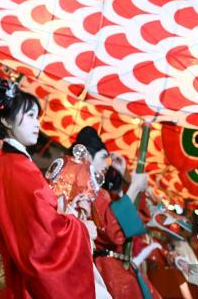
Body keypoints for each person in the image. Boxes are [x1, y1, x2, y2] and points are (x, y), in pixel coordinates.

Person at [0, 80, 95, 299]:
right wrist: (81, 228)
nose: (37, 124)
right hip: (29, 285)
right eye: (29, 116)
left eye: (37, 117)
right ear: (7, 120)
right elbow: (44, 236)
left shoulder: (7, 164)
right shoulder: (19, 168)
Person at [76, 127, 158, 299]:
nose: (108, 164)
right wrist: (134, 187)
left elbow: (138, 219)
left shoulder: (100, 191)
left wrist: (127, 178)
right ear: (87, 157)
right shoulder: (84, 189)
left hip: (116, 266)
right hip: (105, 269)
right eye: (103, 158)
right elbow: (110, 230)